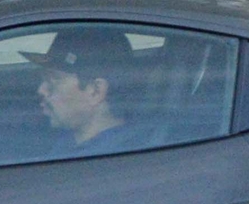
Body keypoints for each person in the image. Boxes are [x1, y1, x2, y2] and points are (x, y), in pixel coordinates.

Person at [28, 25, 160, 154]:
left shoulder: (114, 160)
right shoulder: (74, 141)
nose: (41, 90)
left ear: (96, 91)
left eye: (53, 81)